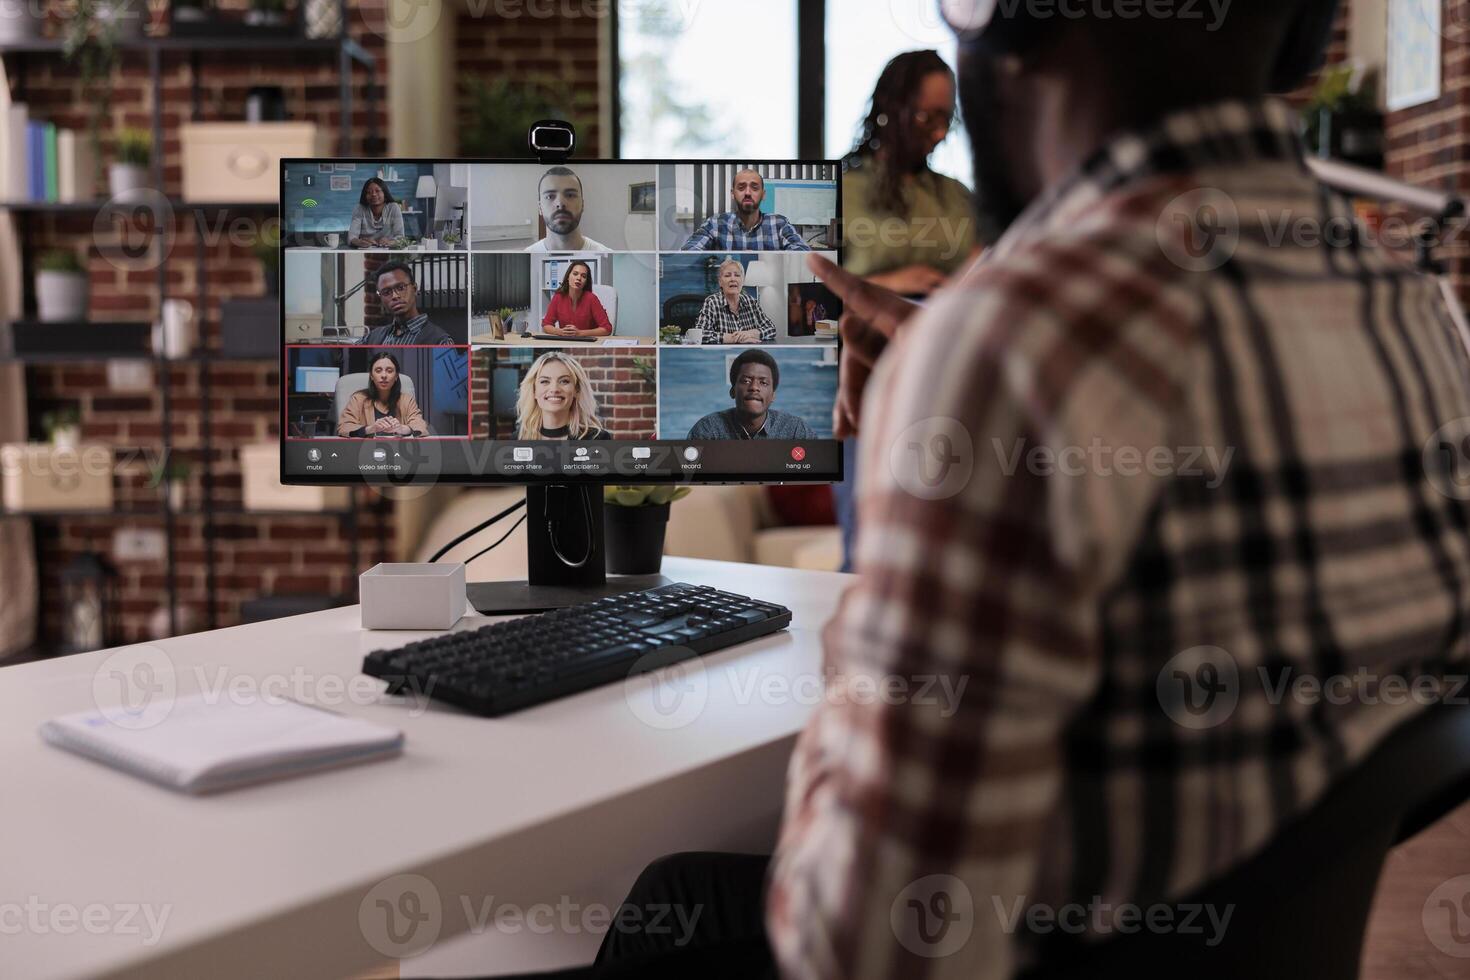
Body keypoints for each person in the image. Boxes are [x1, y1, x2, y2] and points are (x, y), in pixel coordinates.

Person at [495, 0, 1470, 978]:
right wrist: (939, 352)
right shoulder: (1422, 316)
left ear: (998, 19)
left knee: (669, 897)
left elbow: (858, 942)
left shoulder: (1010, 351)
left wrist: (915, 475)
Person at [841, 49, 981, 296]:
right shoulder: (841, 192)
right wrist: (886, 285)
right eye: (927, 118)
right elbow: (810, 296)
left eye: (946, 120)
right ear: (891, 111)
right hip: (867, 331)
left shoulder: (956, 195)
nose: (940, 134)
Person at [687, 348, 812, 440]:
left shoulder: (796, 430)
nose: (754, 388)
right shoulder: (707, 430)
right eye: (746, 381)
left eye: (763, 383)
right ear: (733, 391)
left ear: (773, 395)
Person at [680, 169, 811, 252]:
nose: (748, 193)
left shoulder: (779, 223)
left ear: (763, 194)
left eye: (754, 188)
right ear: (732, 193)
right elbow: (688, 253)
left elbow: (802, 252)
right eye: (741, 187)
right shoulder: (715, 223)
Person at [515, 351, 612, 440]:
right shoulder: (518, 438)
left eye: (564, 381)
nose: (554, 389)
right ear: (534, 391)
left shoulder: (597, 439)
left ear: (576, 390)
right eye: (545, 381)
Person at [358, 261, 456, 346]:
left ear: (414, 288)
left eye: (401, 288)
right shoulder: (373, 337)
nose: (395, 296)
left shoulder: (440, 341)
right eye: (386, 292)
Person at [336, 351, 428, 437]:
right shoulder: (358, 399)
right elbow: (343, 427)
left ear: (396, 376)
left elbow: (421, 426)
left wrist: (403, 429)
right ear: (371, 376)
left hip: (399, 451)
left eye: (389, 371)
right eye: (378, 370)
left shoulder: (406, 400)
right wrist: (370, 429)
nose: (384, 375)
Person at [690, 259, 775, 344]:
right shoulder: (712, 302)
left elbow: (771, 329)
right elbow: (699, 334)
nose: (733, 279)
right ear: (720, 282)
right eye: (727, 275)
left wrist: (750, 333)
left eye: (737, 275)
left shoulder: (751, 302)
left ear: (743, 280)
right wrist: (733, 338)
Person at [526, 167, 610, 252]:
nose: (560, 203)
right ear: (540, 207)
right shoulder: (526, 256)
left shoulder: (608, 255)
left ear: (582, 204)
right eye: (550, 196)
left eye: (570, 195)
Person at [541, 260, 612, 338]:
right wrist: (560, 332)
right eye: (575, 274)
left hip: (588, 343)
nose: (579, 278)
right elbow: (546, 325)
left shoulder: (591, 298)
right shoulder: (558, 297)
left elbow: (607, 328)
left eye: (583, 276)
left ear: (586, 282)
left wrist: (580, 333)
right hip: (566, 341)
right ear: (568, 277)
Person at [348, 178, 404, 248]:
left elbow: (401, 237)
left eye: (377, 191)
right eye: (369, 192)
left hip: (387, 250)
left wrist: (390, 242)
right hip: (365, 249)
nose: (373, 194)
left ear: (385, 194)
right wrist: (360, 242)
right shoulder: (359, 209)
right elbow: (351, 237)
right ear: (365, 196)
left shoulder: (393, 208)